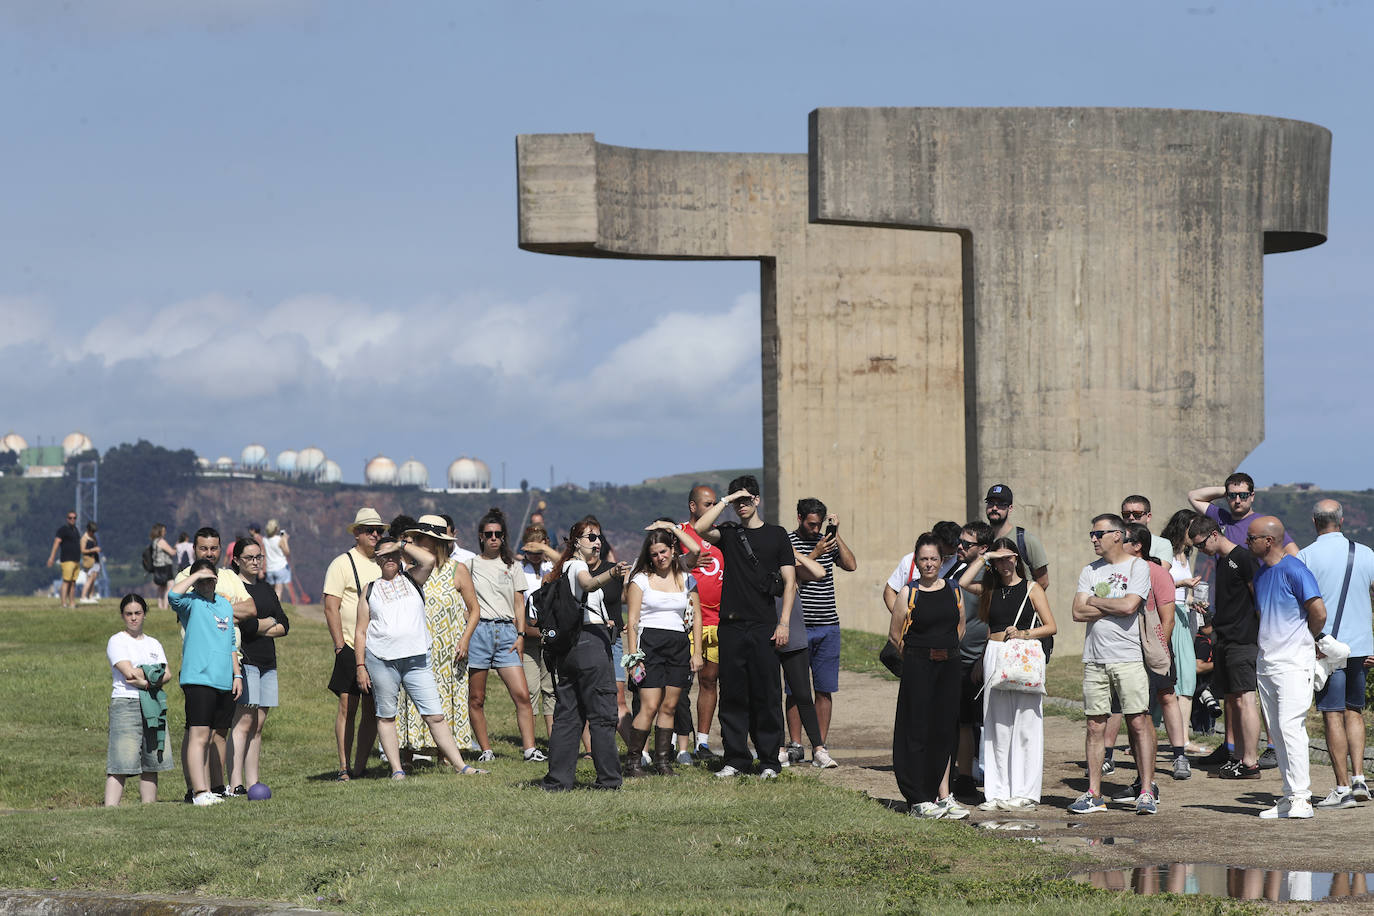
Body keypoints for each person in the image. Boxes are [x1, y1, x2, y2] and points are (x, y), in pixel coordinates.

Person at [692, 474, 797, 779]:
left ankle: (768, 761)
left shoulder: (777, 535)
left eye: (746, 499)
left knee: (766, 693)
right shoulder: (728, 533)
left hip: (765, 625)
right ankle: (736, 759)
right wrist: (724, 501)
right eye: (736, 501)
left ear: (757, 500)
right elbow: (700, 527)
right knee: (733, 695)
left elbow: (790, 583)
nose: (741, 506)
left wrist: (784, 623)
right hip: (731, 626)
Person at [354, 537, 485, 779]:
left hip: (416, 660)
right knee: (386, 715)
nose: (390, 559)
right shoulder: (370, 589)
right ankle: (397, 770)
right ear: (377, 559)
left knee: (434, 714)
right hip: (382, 659)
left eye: (393, 555)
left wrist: (400, 545)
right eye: (384, 555)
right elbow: (361, 631)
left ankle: (461, 766)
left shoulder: (413, 578)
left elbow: (429, 559)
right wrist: (360, 666)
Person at [1068, 514, 1157, 816]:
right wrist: (1110, 607)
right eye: (1091, 534)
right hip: (1095, 658)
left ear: (1118, 535)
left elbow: (1130, 606)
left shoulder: (1138, 566)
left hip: (1128, 657)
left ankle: (1146, 791)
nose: (1093, 539)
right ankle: (1094, 793)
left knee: (1138, 722)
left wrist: (1094, 601)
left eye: (1098, 533)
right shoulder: (1089, 570)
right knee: (1095, 725)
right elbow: (1077, 613)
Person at [959, 537, 1056, 810]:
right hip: (994, 654)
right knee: (996, 725)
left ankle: (1025, 792)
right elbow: (964, 583)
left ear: (1017, 558)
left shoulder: (1032, 587)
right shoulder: (989, 588)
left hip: (1022, 655)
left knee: (1026, 725)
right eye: (999, 559)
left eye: (1008, 557)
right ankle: (997, 792)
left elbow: (1051, 626)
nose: (1004, 563)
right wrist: (984, 557)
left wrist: (1024, 633)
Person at [541, 517, 630, 791]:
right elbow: (589, 585)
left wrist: (607, 620)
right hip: (590, 645)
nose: (597, 542)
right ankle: (609, 780)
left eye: (599, 537)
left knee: (568, 714)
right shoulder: (577, 565)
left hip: (571, 648)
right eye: (591, 537)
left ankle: (558, 780)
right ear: (576, 542)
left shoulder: (563, 568)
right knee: (603, 714)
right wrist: (612, 574)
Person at [1250, 516, 1327, 819]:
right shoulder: (1261, 575)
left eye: (1251, 538)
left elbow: (1318, 611)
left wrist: (1307, 638)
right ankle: (1288, 795)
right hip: (1267, 662)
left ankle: (1302, 799)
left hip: (1294, 663)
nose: (1248, 543)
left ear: (1268, 540)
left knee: (1291, 727)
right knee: (1278, 733)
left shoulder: (1295, 568)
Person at [1298, 499, 1374, 808]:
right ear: (1341, 522)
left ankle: (1342, 787)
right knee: (1354, 711)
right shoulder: (1367, 554)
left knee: (1332, 714)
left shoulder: (1305, 557)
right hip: (1361, 647)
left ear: (1315, 522)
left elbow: (1301, 607)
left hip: (1325, 648)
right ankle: (1359, 779)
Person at [170, 525, 252, 800]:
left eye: (210, 579)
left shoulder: (224, 605)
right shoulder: (190, 602)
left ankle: (214, 788)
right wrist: (196, 575)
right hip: (198, 678)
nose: (208, 584)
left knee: (218, 734)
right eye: (203, 580)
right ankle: (198, 790)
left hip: (223, 678)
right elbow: (172, 596)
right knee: (199, 735)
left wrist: (237, 674)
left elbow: (231, 642)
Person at [458, 508, 543, 763]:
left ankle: (530, 749)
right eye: (489, 534)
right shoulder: (469, 565)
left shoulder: (513, 565)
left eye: (498, 534)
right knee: (476, 697)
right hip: (479, 632)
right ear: (481, 537)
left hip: (507, 632)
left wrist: (520, 634)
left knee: (522, 695)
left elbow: (520, 603)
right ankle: (486, 750)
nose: (493, 538)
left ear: (503, 537)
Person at [890, 533, 964, 817]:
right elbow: (895, 636)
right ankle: (917, 798)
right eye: (924, 559)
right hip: (918, 666)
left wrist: (945, 651)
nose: (929, 564)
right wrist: (917, 659)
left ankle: (940, 796)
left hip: (948, 666)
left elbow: (960, 629)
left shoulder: (954, 590)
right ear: (916, 561)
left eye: (934, 558)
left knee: (944, 730)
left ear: (941, 560)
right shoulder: (909, 592)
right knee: (916, 730)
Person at [622, 521, 703, 775]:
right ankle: (634, 761)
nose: (660, 557)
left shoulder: (685, 577)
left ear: (672, 550)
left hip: (678, 643)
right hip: (650, 645)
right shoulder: (641, 580)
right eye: (654, 554)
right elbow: (633, 620)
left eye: (664, 551)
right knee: (650, 704)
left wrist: (697, 651)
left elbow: (697, 616)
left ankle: (663, 761)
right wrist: (634, 656)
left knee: (670, 706)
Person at [396, 515, 479, 762]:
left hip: (450, 648)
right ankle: (410, 750)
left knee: (447, 698)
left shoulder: (458, 570)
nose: (418, 542)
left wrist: (465, 639)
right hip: (418, 646)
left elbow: (474, 610)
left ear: (435, 542)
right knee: (412, 696)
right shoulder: (411, 572)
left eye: (422, 539)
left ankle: (446, 755)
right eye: (417, 538)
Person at [1187, 515, 1264, 777]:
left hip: (1244, 640)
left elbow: (1259, 599)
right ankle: (1239, 756)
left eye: (1200, 544)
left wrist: (1261, 635)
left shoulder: (1242, 558)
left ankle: (1251, 762)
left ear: (1214, 534)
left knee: (1245, 700)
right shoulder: (1220, 561)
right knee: (1233, 699)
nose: (1200, 550)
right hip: (1225, 638)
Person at [1118, 523, 1189, 781]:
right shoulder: (1117, 572)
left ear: (1137, 545)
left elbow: (1167, 618)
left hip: (1155, 647)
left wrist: (1158, 649)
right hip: (1126, 651)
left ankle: (1179, 754)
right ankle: (1140, 774)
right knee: (1135, 710)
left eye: (1121, 539)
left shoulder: (1157, 573)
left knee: (1167, 696)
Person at [786, 497, 857, 754]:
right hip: (798, 625)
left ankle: (820, 745)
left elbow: (851, 565)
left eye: (819, 525)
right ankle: (795, 743)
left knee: (824, 688)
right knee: (795, 688)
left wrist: (835, 535)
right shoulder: (788, 542)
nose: (816, 530)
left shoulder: (826, 540)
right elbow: (791, 574)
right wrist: (814, 554)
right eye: (811, 524)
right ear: (799, 519)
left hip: (828, 624)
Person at [321, 507, 385, 780]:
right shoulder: (341, 564)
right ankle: (344, 766)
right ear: (357, 533)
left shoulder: (385, 562)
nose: (375, 534)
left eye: (379, 530)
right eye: (370, 530)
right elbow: (331, 606)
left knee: (372, 708)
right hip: (349, 644)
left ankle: (360, 767)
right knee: (348, 706)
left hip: (379, 646)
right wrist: (339, 646)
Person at [227, 537, 289, 796]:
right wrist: (265, 623)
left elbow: (284, 625)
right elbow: (242, 625)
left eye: (258, 557)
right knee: (243, 720)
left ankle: (253, 781)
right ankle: (234, 782)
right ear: (237, 560)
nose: (254, 562)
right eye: (249, 558)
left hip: (268, 662)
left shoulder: (265, 589)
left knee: (259, 724)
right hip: (247, 660)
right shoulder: (234, 588)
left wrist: (257, 624)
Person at [104, 594, 174, 805]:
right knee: (121, 759)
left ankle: (149, 807)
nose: (133, 618)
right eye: (129, 614)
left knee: (152, 760)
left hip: (152, 702)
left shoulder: (154, 643)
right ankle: (110, 809)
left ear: (144, 614)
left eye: (137, 613)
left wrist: (144, 681)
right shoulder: (117, 641)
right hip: (126, 702)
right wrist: (152, 675)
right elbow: (128, 672)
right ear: (122, 616)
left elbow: (168, 674)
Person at [776, 549, 838, 769]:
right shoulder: (756, 568)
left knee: (803, 693)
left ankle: (819, 748)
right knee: (772, 693)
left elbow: (819, 572)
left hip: (793, 633)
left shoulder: (790, 569)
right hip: (766, 633)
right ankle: (779, 749)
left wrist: (795, 554)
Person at [678, 486, 725, 760]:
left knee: (709, 680)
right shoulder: (679, 532)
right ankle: (675, 741)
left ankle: (702, 743)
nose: (712, 508)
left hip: (716, 622)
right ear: (693, 506)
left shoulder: (720, 536)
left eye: (715, 504)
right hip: (686, 622)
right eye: (707, 504)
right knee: (679, 684)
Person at [1161, 508, 1203, 752]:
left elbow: (1179, 595)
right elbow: (1157, 583)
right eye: (1193, 529)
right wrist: (1181, 584)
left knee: (1186, 678)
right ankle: (1182, 739)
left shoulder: (1186, 555)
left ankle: (1182, 737)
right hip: (1170, 618)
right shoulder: (1166, 553)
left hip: (1183, 616)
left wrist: (1192, 601)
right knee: (1178, 677)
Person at [1187, 473, 1297, 556]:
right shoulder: (1220, 517)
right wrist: (1227, 490)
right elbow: (1193, 496)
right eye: (1233, 496)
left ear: (1252, 496)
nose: (1238, 500)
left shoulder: (1264, 524)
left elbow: (1295, 555)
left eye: (1243, 495)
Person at [520, 525, 558, 740]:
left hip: (550, 633)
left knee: (550, 689)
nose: (535, 557)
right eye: (530, 552)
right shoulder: (518, 569)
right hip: (528, 634)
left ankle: (554, 739)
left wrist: (546, 550)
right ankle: (530, 741)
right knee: (530, 688)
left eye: (538, 552)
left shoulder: (552, 567)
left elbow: (565, 564)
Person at [983, 484, 1049, 591]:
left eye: (1000, 504)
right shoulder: (982, 540)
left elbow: (1043, 582)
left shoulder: (1026, 540)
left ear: (1010, 508)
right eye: (991, 503)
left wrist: (1025, 603)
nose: (994, 508)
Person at [46, 509, 82, 609]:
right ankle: (63, 603)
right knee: (66, 581)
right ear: (67, 519)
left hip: (76, 560)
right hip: (67, 559)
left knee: (73, 583)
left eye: (74, 518)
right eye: (70, 518)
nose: (72, 520)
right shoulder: (63, 530)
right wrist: (52, 557)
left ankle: (72, 602)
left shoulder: (76, 530)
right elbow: (56, 543)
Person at [262, 519, 292, 601]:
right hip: (280, 567)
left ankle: (270, 608)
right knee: (278, 591)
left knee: (271, 591)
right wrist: (285, 540)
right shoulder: (280, 539)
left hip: (270, 568)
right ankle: (276, 609)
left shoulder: (264, 539)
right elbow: (287, 552)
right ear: (276, 529)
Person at [79, 521, 102, 603]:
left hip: (95, 560)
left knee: (93, 579)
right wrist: (93, 550)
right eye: (91, 531)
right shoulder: (84, 538)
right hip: (89, 561)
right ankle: (83, 596)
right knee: (89, 579)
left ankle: (90, 596)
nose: (93, 533)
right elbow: (82, 550)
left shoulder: (94, 537)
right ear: (88, 530)